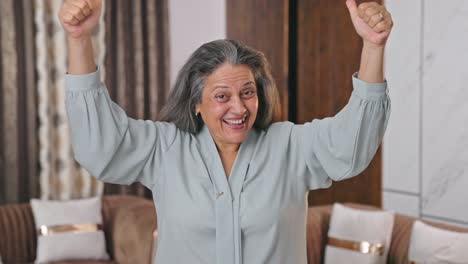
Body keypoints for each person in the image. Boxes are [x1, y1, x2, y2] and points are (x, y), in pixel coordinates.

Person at [59, 0, 393, 263]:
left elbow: (351, 145)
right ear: (196, 104)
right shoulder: (164, 148)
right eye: (222, 96)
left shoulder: (290, 146)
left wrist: (373, 47)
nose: (239, 107)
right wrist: (79, 40)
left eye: (247, 92)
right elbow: (101, 148)